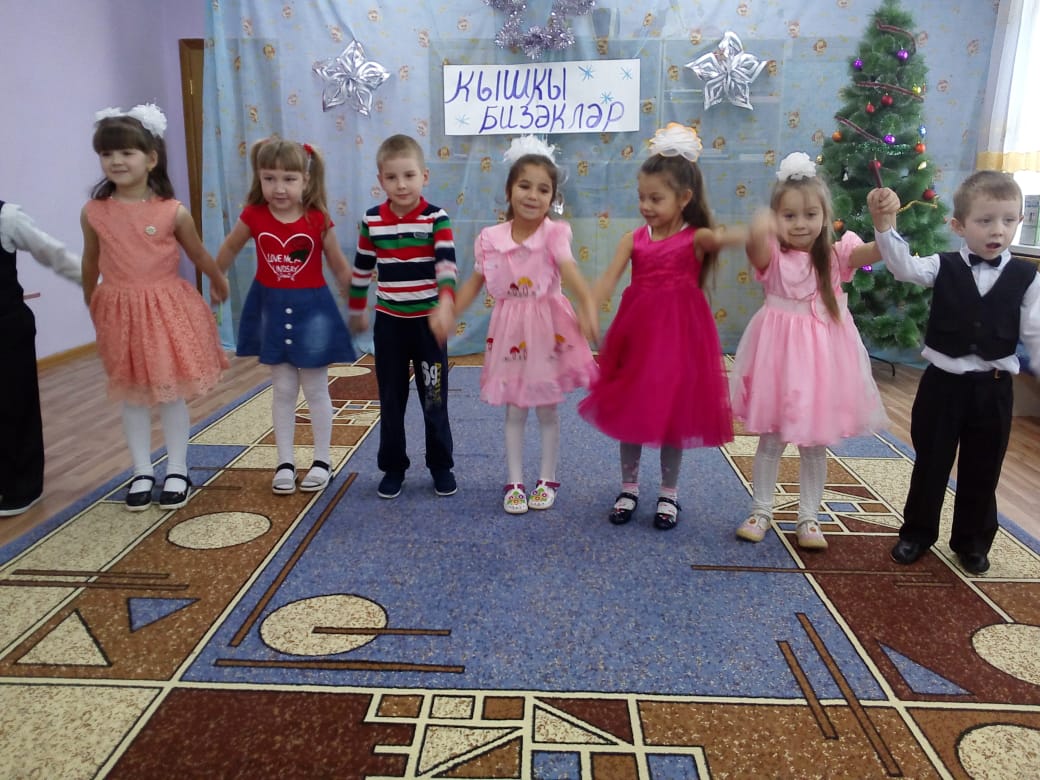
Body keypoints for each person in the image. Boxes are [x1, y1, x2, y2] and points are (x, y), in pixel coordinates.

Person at [868, 171, 1040, 574]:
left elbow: (1035, 331)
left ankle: (972, 542)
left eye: (1008, 220)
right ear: (959, 226)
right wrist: (884, 225)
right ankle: (917, 533)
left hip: (994, 390)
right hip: (942, 387)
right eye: (985, 220)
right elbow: (903, 267)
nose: (997, 230)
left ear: (1019, 221)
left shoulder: (1028, 277)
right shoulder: (940, 265)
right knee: (931, 462)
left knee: (984, 468)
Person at [578, 123, 742, 530]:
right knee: (631, 408)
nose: (646, 205)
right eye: (641, 197)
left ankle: (669, 493)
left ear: (684, 198)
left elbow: (724, 239)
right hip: (637, 337)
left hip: (680, 340)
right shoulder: (633, 239)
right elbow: (607, 281)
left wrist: (761, 230)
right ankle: (629, 487)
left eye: (655, 198)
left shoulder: (696, 237)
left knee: (673, 414)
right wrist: (590, 307)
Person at [730, 152, 888, 550]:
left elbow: (877, 252)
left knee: (814, 443)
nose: (800, 223)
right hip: (778, 359)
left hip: (822, 362)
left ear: (825, 216)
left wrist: (885, 222)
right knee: (771, 438)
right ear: (776, 219)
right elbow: (755, 246)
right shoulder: (772, 256)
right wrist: (760, 224)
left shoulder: (836, 256)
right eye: (789, 216)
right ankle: (761, 509)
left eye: (810, 214)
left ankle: (809, 516)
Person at [82, 104, 228, 511]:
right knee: (132, 395)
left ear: (150, 159)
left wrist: (218, 280)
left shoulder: (171, 211)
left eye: (126, 152)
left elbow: (197, 254)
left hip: (164, 310)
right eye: (107, 153)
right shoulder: (94, 213)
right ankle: (142, 470)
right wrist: (92, 302)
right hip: (119, 312)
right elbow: (90, 262)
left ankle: (177, 468)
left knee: (168, 392)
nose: (116, 160)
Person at [443, 136, 599, 514]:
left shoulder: (555, 234)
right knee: (514, 409)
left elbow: (570, 273)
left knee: (546, 408)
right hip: (510, 331)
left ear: (553, 197)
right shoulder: (490, 239)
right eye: (525, 186)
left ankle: (547, 478)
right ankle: (514, 481)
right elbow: (476, 282)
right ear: (509, 190)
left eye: (543, 189)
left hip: (547, 330)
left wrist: (588, 305)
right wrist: (451, 313)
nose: (533, 195)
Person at [216, 137, 355, 495]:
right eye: (270, 178)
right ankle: (285, 462)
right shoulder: (253, 215)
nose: (279, 188)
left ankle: (322, 460)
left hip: (313, 314)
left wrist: (356, 302)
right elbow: (229, 247)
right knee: (283, 389)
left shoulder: (317, 219)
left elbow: (338, 265)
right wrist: (217, 279)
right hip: (271, 310)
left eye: (289, 179)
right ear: (259, 178)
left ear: (305, 180)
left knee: (315, 388)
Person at [348, 134, 457, 499]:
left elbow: (446, 265)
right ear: (381, 180)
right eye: (392, 177)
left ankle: (440, 465)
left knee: (434, 397)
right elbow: (362, 267)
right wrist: (357, 307)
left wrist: (445, 303)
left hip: (428, 325)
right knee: (391, 400)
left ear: (424, 176)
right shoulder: (371, 220)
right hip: (390, 325)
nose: (401, 184)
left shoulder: (436, 218)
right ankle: (393, 467)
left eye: (409, 175)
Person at [0, 201, 81, 517]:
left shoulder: (7, 217)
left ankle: (23, 487)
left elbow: (53, 253)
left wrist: (97, 285)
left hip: (6, 328)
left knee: (14, 405)